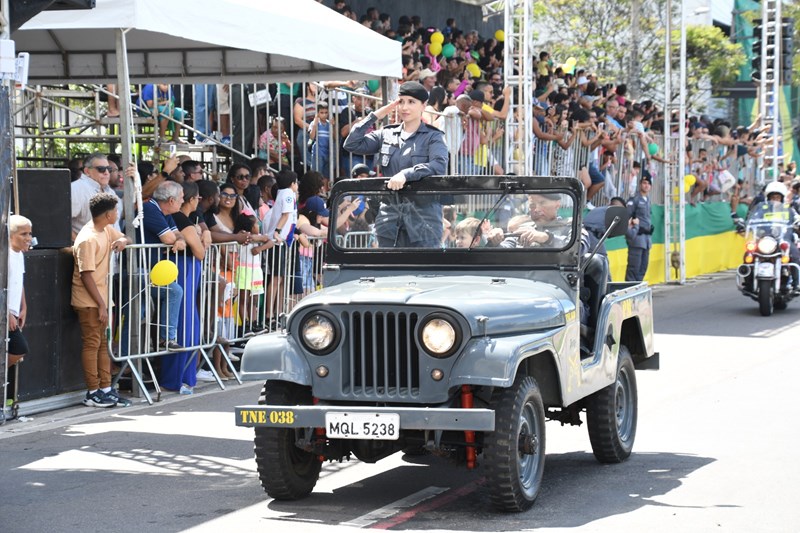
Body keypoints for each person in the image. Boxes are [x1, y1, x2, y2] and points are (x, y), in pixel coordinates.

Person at [343, 81, 448, 247]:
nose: (405, 107)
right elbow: (351, 144)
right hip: (390, 220)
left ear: (424, 105)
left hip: (423, 219)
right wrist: (376, 115)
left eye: (411, 102)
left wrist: (406, 174)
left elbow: (438, 165)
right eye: (401, 101)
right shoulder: (387, 134)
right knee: (388, 271)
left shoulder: (433, 137)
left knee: (424, 272)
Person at [71, 193, 133, 407]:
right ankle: (92, 392)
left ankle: (106, 388)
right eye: (116, 211)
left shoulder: (105, 229)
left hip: (101, 300)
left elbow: (126, 237)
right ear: (108, 214)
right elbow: (85, 275)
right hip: (90, 301)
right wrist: (101, 305)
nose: (118, 214)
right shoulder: (87, 238)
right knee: (92, 344)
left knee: (102, 345)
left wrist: (123, 241)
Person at [163, 182, 209, 393]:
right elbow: (200, 252)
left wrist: (204, 233)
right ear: (193, 199)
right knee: (184, 324)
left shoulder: (188, 220)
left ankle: (184, 376)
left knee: (188, 323)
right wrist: (200, 238)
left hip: (188, 271)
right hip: (184, 271)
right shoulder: (181, 219)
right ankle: (177, 377)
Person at [140, 180, 186, 350]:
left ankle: (165, 339)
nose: (183, 201)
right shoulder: (150, 209)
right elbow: (168, 239)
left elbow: (177, 234)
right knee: (174, 291)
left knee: (140, 315)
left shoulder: (165, 211)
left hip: (150, 270)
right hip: (139, 270)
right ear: (171, 200)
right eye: (181, 198)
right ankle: (166, 339)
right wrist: (179, 241)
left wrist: (180, 239)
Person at [71, 152, 123, 241]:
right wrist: (80, 246)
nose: (106, 173)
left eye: (109, 169)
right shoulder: (76, 189)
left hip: (109, 252)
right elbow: (62, 222)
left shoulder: (110, 192)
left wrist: (122, 239)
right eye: (101, 169)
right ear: (87, 171)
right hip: (87, 252)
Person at [7, 215, 32, 370]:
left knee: (18, 349)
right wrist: (7, 313)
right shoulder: (5, 256)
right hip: (5, 314)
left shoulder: (20, 255)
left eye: (29, 233)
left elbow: (19, 281)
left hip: (13, 313)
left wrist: (24, 307)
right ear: (10, 235)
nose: (28, 238)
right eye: (23, 234)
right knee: (19, 348)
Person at [625, 175, 653, 282]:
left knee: (643, 267)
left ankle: (638, 289)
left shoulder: (648, 200)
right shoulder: (634, 199)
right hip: (637, 237)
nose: (646, 186)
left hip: (646, 239)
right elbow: (627, 216)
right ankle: (630, 290)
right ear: (640, 184)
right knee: (634, 267)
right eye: (644, 183)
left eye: (648, 184)